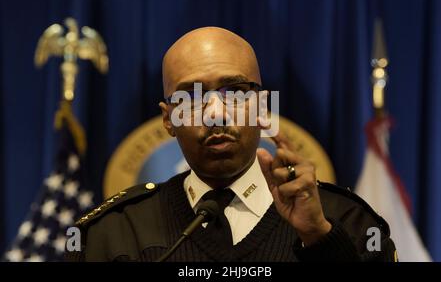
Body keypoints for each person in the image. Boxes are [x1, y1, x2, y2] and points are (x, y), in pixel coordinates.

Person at [66, 27, 396, 262]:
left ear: (263, 108)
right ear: (168, 120)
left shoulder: (347, 221)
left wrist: (320, 240)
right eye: (192, 97)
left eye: (235, 92)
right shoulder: (112, 233)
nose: (215, 114)